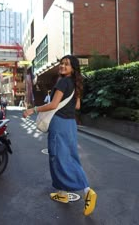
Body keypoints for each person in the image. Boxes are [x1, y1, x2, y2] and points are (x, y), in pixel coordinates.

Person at [23, 55, 97, 216]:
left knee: (58, 157)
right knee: (70, 156)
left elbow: (53, 105)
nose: (63, 66)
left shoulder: (63, 82)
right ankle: (62, 193)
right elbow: (77, 106)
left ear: (73, 68)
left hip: (59, 124)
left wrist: (32, 110)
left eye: (67, 64)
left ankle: (86, 191)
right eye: (62, 63)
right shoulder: (75, 83)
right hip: (70, 124)